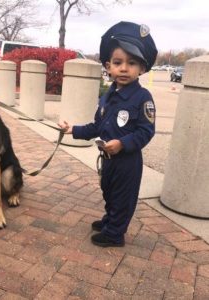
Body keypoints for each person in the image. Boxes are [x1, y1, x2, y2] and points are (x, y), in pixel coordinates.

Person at [59, 21, 158, 247]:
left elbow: (146, 131)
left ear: (142, 68)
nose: (124, 68)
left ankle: (115, 234)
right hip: (108, 160)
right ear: (108, 66)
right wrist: (72, 129)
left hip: (127, 162)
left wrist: (123, 143)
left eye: (132, 63)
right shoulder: (108, 97)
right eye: (118, 62)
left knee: (123, 198)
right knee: (109, 192)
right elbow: (97, 127)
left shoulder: (143, 98)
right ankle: (110, 220)